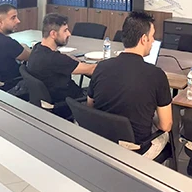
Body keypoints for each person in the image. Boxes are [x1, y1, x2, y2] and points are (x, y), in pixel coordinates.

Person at [87, 11, 172, 160]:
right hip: (137, 150)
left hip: (102, 141)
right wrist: (152, 118)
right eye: (152, 36)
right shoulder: (157, 75)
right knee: (167, 134)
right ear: (143, 39)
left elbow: (90, 106)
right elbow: (165, 126)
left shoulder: (101, 67)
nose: (153, 41)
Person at [27, 13, 95, 117]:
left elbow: (62, 60)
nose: (69, 34)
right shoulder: (55, 59)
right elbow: (91, 69)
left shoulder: (37, 48)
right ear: (53, 34)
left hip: (52, 99)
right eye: (65, 30)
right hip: (72, 103)